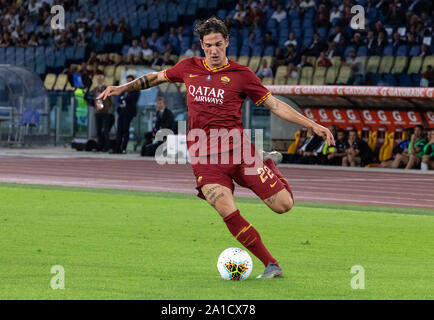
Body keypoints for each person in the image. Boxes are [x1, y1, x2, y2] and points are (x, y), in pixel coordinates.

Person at [97, 17, 334, 279]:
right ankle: (271, 264)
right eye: (208, 45)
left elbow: (275, 105)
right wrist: (120, 88)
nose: (213, 50)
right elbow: (155, 77)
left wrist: (311, 124)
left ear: (227, 42)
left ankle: (268, 165)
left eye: (218, 44)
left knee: (283, 205)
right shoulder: (188, 67)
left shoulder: (242, 75)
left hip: (240, 152)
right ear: (201, 45)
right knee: (225, 208)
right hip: (204, 156)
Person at [113, 75, 140, 154]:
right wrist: (123, 99)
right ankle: (117, 148)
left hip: (129, 112)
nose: (128, 82)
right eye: (127, 80)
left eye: (130, 80)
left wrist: (123, 99)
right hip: (122, 111)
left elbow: (131, 98)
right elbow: (119, 98)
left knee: (125, 129)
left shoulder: (136, 89)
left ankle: (123, 148)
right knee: (119, 129)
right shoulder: (124, 89)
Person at [92, 75, 113, 152]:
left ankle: (107, 146)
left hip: (105, 112)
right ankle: (99, 146)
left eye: (101, 79)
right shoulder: (95, 89)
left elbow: (111, 100)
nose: (100, 80)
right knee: (98, 130)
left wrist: (107, 107)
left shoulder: (107, 89)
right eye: (98, 79)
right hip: (98, 112)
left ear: (103, 80)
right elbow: (93, 99)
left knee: (106, 130)